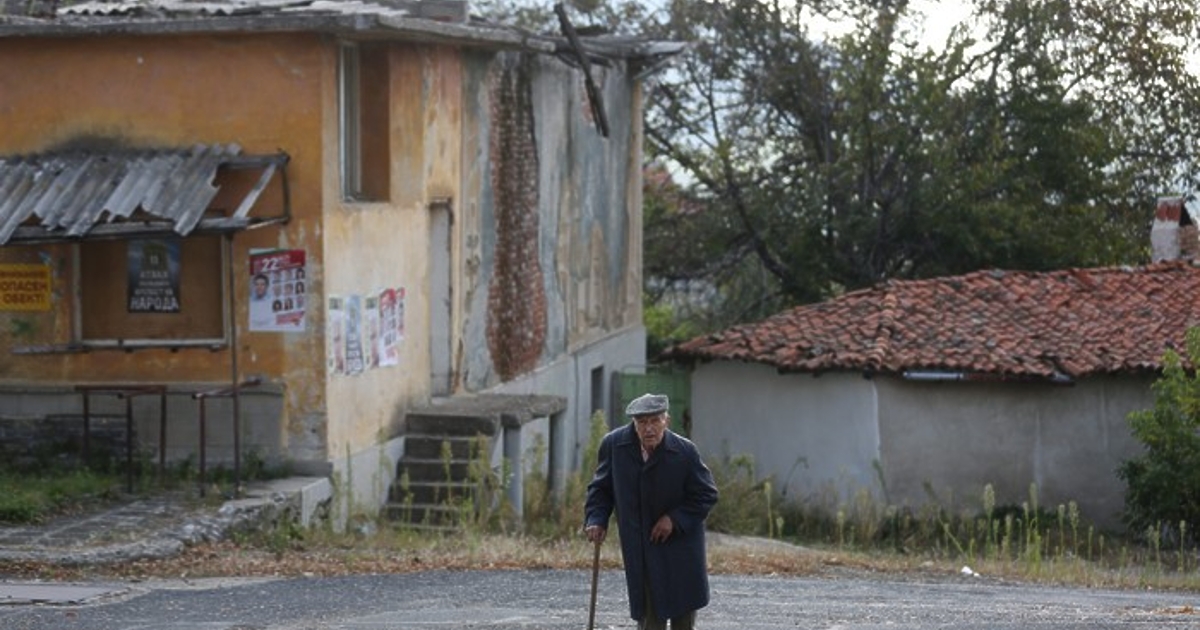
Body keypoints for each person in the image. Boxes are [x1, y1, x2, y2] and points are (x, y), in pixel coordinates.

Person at [584, 393, 719, 630]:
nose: (649, 429)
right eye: (642, 422)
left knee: (682, 620)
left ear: (666, 420)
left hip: (681, 550)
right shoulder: (615, 446)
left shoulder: (685, 452)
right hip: (641, 548)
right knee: (649, 620)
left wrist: (674, 519)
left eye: (655, 421)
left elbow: (706, 494)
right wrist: (596, 519)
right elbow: (601, 489)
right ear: (634, 424)